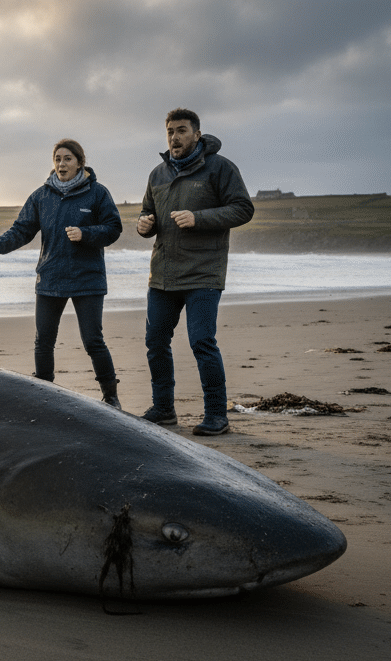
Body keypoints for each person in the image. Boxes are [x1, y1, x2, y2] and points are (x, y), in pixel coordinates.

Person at [0, 138, 124, 407]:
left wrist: (86, 233)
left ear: (80, 163)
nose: (61, 164)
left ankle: (111, 396)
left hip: (87, 278)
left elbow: (113, 228)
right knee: (44, 341)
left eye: (67, 159)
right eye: (57, 159)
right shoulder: (41, 196)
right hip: (50, 277)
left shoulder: (97, 193)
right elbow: (21, 230)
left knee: (93, 341)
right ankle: (44, 396)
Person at [136, 108, 254, 436]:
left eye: (181, 131)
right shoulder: (158, 174)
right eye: (170, 132)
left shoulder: (220, 168)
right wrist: (144, 224)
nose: (174, 137)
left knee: (202, 341)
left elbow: (243, 208)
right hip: (162, 274)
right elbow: (148, 213)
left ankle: (217, 415)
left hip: (203, 272)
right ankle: (163, 409)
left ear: (197, 134)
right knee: (155, 342)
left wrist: (198, 218)